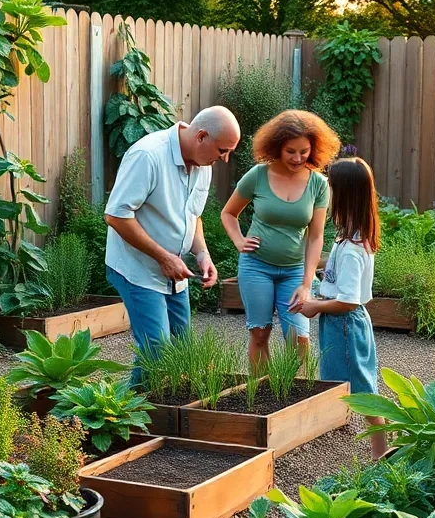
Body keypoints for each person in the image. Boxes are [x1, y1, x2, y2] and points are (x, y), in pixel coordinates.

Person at [104, 106, 241, 381]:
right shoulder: (148, 155)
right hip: (138, 269)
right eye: (222, 150)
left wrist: (202, 253)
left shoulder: (203, 165)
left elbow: (193, 217)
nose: (224, 159)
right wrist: (163, 257)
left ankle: (164, 416)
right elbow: (116, 216)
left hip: (175, 274)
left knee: (181, 352)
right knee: (156, 352)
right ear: (201, 136)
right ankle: (124, 418)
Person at [221, 110, 339, 366]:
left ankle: (299, 398)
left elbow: (316, 236)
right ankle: (261, 398)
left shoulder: (318, 184)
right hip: (256, 267)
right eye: (290, 151)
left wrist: (307, 284)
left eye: (304, 151)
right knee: (260, 334)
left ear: (314, 148)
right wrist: (239, 241)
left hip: (295, 271)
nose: (298, 158)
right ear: (277, 147)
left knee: (299, 338)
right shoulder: (258, 176)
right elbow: (228, 213)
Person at [293, 157, 386, 460]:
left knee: (360, 390)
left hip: (344, 323)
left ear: (344, 193)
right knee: (344, 383)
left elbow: (348, 300)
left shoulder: (351, 250)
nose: (327, 193)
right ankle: (379, 449)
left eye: (331, 187)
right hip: (342, 323)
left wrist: (315, 306)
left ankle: (381, 452)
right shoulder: (350, 238)